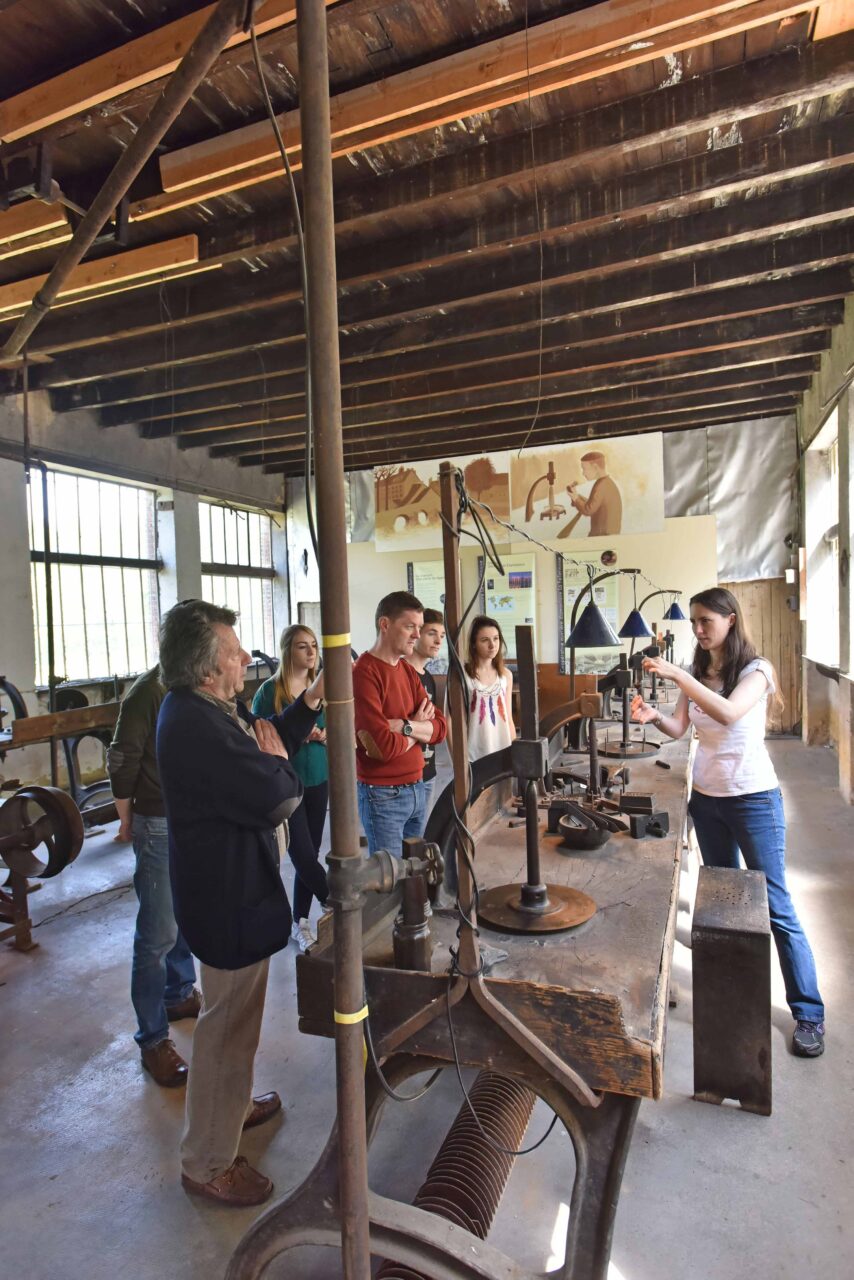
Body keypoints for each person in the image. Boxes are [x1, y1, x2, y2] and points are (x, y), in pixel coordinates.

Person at [156, 601, 324, 1207]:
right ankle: (207, 1160)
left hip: (230, 893)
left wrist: (287, 737)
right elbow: (275, 793)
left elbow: (265, 752)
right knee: (226, 1029)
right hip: (227, 900)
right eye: (233, 649)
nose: (244, 656)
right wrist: (280, 766)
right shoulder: (198, 726)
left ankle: (232, 1108)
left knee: (237, 1020)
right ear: (207, 668)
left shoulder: (203, 709)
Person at [632, 586, 826, 1059]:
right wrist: (653, 714)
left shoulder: (758, 671)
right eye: (694, 623)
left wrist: (677, 673)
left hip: (753, 800)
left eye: (705, 622)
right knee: (723, 904)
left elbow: (728, 712)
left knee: (775, 905)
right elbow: (683, 728)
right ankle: (737, 998)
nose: (697, 630)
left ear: (731, 620)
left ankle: (809, 1014)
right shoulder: (701, 670)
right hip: (708, 800)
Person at [107, 667, 199, 1088]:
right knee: (158, 931)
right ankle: (153, 1039)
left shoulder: (192, 683)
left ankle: (178, 994)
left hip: (191, 815)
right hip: (157, 819)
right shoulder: (148, 691)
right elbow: (123, 754)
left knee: (184, 916)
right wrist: (126, 815)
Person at [253, 625, 329, 954]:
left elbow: (338, 722)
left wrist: (323, 735)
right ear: (288, 651)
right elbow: (259, 734)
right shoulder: (270, 690)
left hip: (319, 778)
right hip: (289, 784)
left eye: (313, 645)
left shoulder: (321, 687)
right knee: (302, 855)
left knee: (309, 855)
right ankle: (337, 902)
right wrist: (295, 732)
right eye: (302, 647)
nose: (311, 652)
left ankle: (300, 921)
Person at [353, 590, 447, 855]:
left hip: (417, 787)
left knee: (414, 877)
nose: (417, 635)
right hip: (383, 796)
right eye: (410, 627)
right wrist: (419, 730)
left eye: (419, 628)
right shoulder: (364, 673)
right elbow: (381, 747)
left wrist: (406, 726)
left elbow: (440, 729)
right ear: (385, 625)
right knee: (391, 881)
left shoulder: (406, 670)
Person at [405, 607, 446, 812]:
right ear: (417, 633)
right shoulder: (401, 673)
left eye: (442, 635)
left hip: (428, 772)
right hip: (405, 775)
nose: (439, 641)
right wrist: (418, 725)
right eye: (432, 634)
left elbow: (438, 726)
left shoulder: (428, 677)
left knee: (420, 838)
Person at [464, 615, 516, 762]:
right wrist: (459, 758)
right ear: (474, 644)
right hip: (474, 753)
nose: (492, 645)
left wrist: (515, 750)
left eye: (496, 638)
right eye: (485, 640)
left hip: (503, 749)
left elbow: (508, 718)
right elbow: (451, 720)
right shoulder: (464, 675)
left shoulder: (506, 675)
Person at [566, 450, 622, 535]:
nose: (583, 473)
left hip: (603, 537)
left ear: (595, 468)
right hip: (607, 534)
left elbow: (588, 510)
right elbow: (594, 504)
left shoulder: (601, 486)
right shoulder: (606, 483)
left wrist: (576, 498)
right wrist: (576, 496)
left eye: (584, 469)